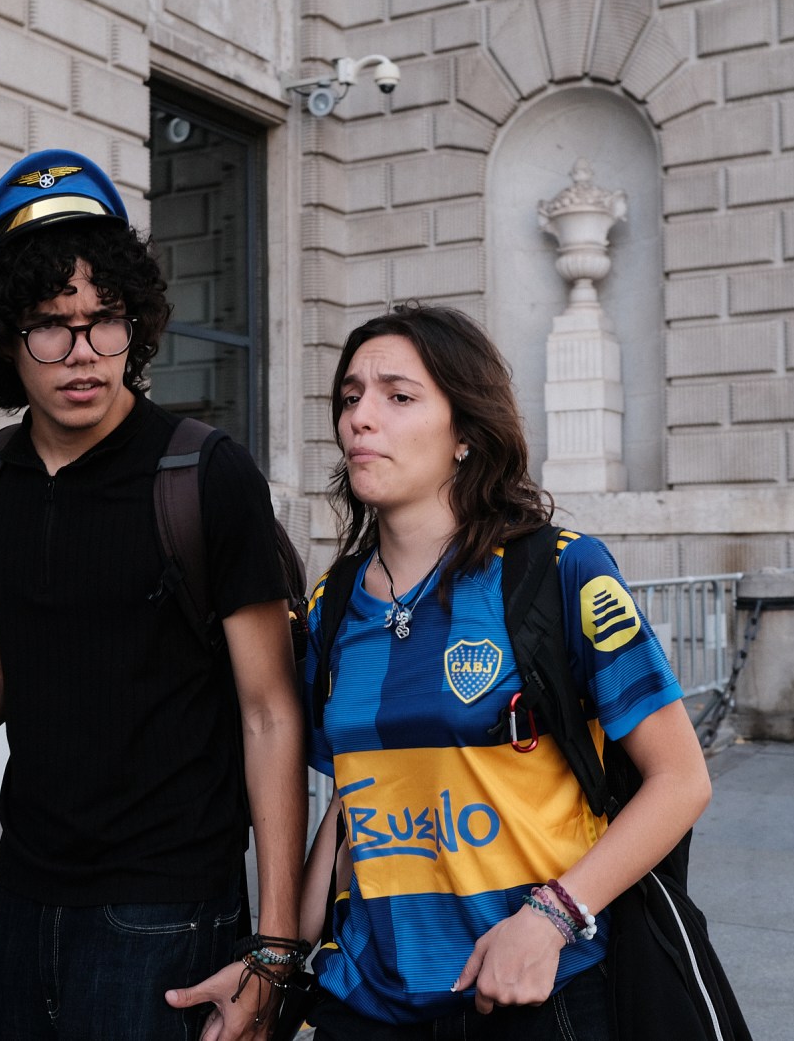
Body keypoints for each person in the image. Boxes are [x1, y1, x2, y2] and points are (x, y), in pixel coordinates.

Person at [0, 148, 307, 1041]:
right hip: (27, 896)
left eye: (104, 321)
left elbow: (271, 714)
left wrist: (275, 951)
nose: (83, 354)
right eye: (50, 325)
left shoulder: (204, 472)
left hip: (167, 908)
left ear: (135, 326)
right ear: (6, 339)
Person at [295, 304, 712, 1039]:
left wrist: (551, 919)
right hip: (365, 999)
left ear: (464, 432)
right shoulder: (332, 603)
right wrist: (284, 959)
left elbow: (681, 780)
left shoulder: (559, 569)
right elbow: (351, 797)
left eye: (398, 395)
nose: (361, 417)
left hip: (534, 992)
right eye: (350, 396)